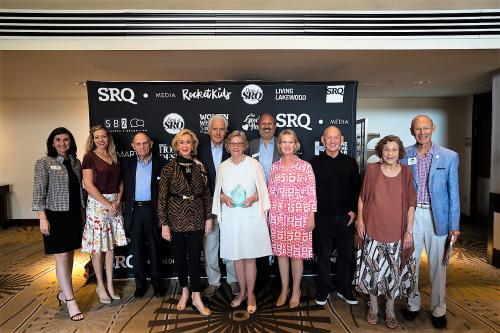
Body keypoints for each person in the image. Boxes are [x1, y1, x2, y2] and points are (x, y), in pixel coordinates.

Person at [402, 115, 461, 329]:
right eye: (418, 129)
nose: (422, 132)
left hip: (439, 217)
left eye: (426, 128)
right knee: (410, 263)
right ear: (412, 130)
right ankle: (412, 304)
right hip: (412, 216)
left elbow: (454, 192)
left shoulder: (449, 156)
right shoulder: (404, 155)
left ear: (433, 129)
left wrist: (454, 224)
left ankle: (438, 309)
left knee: (439, 265)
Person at [354, 135, 417, 329]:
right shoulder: (372, 170)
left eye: (394, 149)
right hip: (373, 229)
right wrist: (360, 221)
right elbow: (362, 198)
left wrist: (408, 232)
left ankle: (390, 309)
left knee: (393, 273)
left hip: (397, 233)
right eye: (387, 149)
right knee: (373, 271)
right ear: (381, 151)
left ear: (400, 152)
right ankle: (373, 307)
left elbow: (411, 206)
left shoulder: (406, 172)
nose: (390, 153)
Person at [212, 130, 273, 314]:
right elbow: (218, 193)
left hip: (250, 217)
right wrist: (224, 198)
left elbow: (262, 191)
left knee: (249, 257)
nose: (236, 147)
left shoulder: (254, 164)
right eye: (233, 143)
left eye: (239, 143)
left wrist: (254, 198)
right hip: (232, 218)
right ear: (228, 146)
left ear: (244, 145)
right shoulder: (223, 166)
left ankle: (252, 294)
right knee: (237, 257)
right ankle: (242, 292)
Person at [158, 129, 212, 316]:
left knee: (195, 259)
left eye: (188, 142)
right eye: (181, 142)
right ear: (176, 145)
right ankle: (185, 291)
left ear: (193, 145)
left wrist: (208, 218)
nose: (185, 145)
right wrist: (164, 223)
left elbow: (206, 194)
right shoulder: (168, 168)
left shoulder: (200, 166)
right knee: (180, 259)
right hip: (175, 218)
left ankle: (196, 296)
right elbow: (162, 198)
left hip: (197, 217)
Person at [32, 127, 84, 321]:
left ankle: (64, 292)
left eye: (66, 140)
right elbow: (38, 192)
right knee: (61, 257)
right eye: (58, 140)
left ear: (71, 142)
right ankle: (71, 301)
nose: (63, 143)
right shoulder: (44, 162)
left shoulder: (75, 162)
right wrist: (42, 218)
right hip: (55, 216)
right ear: (52, 143)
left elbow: (78, 190)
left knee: (69, 255)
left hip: (73, 215)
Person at [310, 126, 361, 306]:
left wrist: (355, 211)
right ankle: (324, 289)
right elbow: (309, 192)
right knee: (323, 256)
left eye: (336, 137)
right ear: (323, 140)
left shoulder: (350, 162)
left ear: (342, 140)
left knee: (346, 255)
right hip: (322, 218)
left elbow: (357, 190)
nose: (332, 141)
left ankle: (343, 288)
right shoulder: (313, 163)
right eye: (329, 138)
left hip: (345, 217)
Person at [267, 129, 317, 309]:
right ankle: (284, 289)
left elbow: (311, 193)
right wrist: (268, 217)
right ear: (279, 145)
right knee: (281, 255)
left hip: (300, 217)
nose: (287, 145)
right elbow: (270, 193)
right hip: (278, 217)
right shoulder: (275, 167)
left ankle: (296, 290)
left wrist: (311, 215)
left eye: (290, 142)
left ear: (296, 145)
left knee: (296, 257)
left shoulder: (305, 166)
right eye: (283, 142)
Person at [81, 124, 128, 304]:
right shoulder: (89, 157)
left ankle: (110, 284)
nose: (101, 140)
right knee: (98, 248)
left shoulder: (114, 156)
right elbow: (89, 185)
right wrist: (107, 203)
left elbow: (121, 182)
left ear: (108, 138)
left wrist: (117, 200)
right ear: (92, 140)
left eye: (103, 137)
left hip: (114, 205)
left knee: (110, 247)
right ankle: (100, 285)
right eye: (97, 137)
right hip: (98, 205)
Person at [197, 114, 239, 297]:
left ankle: (234, 281)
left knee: (231, 244)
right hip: (208, 207)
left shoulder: (233, 149)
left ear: (226, 131)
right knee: (211, 246)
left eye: (222, 129)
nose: (218, 132)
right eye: (215, 129)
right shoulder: (200, 150)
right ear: (209, 130)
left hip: (230, 206)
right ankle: (213, 282)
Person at [122, 131, 166, 298]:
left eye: (145, 143)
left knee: (155, 250)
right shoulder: (127, 164)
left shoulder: (162, 163)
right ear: (133, 146)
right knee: (137, 251)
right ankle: (140, 285)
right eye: (138, 144)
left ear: (151, 144)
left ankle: (157, 284)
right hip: (134, 212)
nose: (142, 146)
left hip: (153, 210)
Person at [247, 113, 280, 183]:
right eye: (263, 123)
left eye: (269, 123)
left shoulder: (282, 144)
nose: (266, 126)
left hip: (277, 190)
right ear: (259, 126)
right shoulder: (250, 145)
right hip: (256, 190)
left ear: (274, 126)